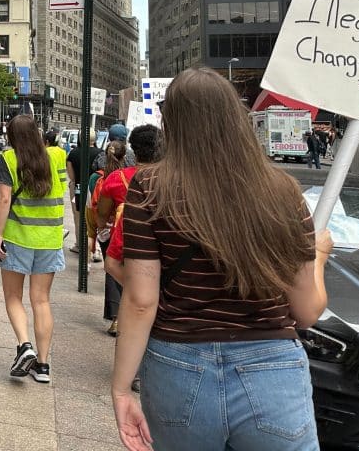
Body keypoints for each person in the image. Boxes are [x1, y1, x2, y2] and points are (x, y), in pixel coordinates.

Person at [111, 67, 332, 451]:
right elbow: (307, 312)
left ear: (172, 123)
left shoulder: (149, 187)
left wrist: (120, 389)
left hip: (179, 363)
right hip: (273, 366)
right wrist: (320, 257)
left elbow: (141, 300)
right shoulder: (283, 191)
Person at [0, 114, 65, 383]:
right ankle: (43, 366)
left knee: (13, 296)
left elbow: (3, 198)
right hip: (49, 239)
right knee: (42, 300)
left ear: (11, 136)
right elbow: (61, 192)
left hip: (18, 237)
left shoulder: (8, 159)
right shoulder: (57, 155)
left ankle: (25, 346)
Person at [95, 126, 162, 336]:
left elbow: (102, 214)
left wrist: (99, 228)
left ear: (133, 148)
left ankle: (117, 318)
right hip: (157, 240)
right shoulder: (166, 178)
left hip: (122, 235)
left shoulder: (116, 177)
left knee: (115, 274)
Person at [66, 134, 102, 252]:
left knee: (78, 216)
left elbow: (71, 177)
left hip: (78, 188)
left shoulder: (73, 153)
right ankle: (94, 248)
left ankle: (79, 245)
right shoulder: (101, 153)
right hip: (95, 189)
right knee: (94, 217)